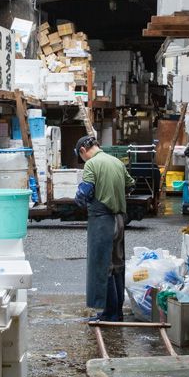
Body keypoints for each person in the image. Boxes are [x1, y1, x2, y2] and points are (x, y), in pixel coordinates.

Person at [74, 136, 134, 322]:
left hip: (102, 222)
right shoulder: (116, 162)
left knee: (102, 267)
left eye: (81, 156)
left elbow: (84, 193)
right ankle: (118, 311)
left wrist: (79, 200)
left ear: (83, 150)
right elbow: (130, 184)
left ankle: (109, 314)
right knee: (116, 265)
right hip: (119, 220)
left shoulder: (92, 165)